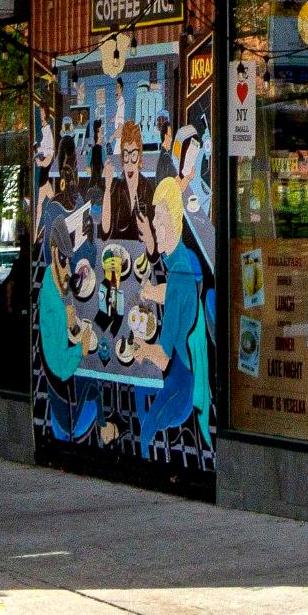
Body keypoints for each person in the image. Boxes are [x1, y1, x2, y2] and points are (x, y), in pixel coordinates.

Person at [98, 177, 211, 457]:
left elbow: (163, 356)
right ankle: (123, 422)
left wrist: (138, 349)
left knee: (146, 429)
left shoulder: (182, 277)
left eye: (160, 221)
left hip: (180, 384)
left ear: (175, 220)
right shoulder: (179, 260)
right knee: (138, 386)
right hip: (180, 368)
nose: (156, 228)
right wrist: (150, 292)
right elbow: (172, 290)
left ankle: (142, 454)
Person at [102, 119, 154, 243]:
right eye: (126, 155)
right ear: (122, 158)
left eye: (134, 155)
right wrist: (107, 187)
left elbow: (153, 236)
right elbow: (105, 232)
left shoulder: (147, 188)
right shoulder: (116, 187)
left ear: (140, 158)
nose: (130, 162)